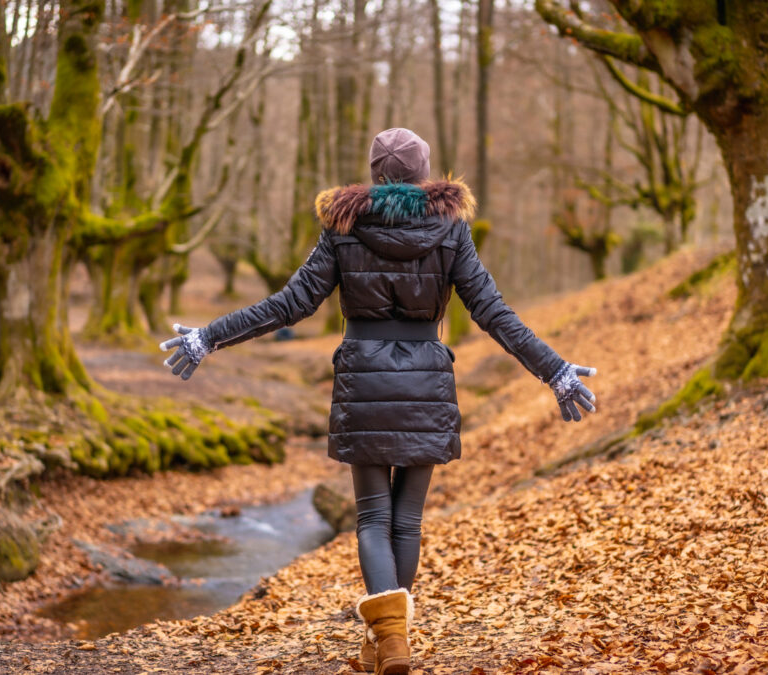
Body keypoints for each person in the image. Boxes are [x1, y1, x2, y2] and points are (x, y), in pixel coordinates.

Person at [160, 127, 597, 675]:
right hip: (426, 383)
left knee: (372, 516)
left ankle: (386, 641)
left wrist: (210, 336)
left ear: (374, 174)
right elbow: (492, 312)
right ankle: (392, 641)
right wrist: (554, 370)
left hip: (363, 380)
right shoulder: (450, 228)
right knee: (405, 522)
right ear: (423, 173)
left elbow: (291, 304)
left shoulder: (343, 227)